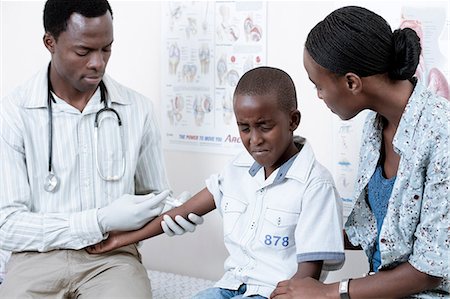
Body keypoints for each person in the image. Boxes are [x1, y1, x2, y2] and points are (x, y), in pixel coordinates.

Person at [87, 66, 346, 299]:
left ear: (293, 121)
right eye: (244, 128)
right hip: (230, 287)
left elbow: (306, 282)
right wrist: (121, 239)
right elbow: (179, 213)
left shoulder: (315, 186)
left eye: (264, 126)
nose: (254, 139)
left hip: (274, 294)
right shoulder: (238, 170)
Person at [0, 0, 201, 297]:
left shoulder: (138, 110)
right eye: (84, 51)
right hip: (35, 258)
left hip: (112, 259)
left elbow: (154, 197)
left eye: (106, 48)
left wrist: (174, 213)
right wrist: (99, 220)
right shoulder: (14, 112)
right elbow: (8, 226)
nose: (98, 62)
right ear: (50, 42)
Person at [271, 6, 449, 299]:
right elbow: (377, 231)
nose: (318, 96)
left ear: (352, 82)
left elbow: (428, 269)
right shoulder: (374, 125)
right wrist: (299, 230)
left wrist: (328, 292)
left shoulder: (442, 134)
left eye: (318, 86)